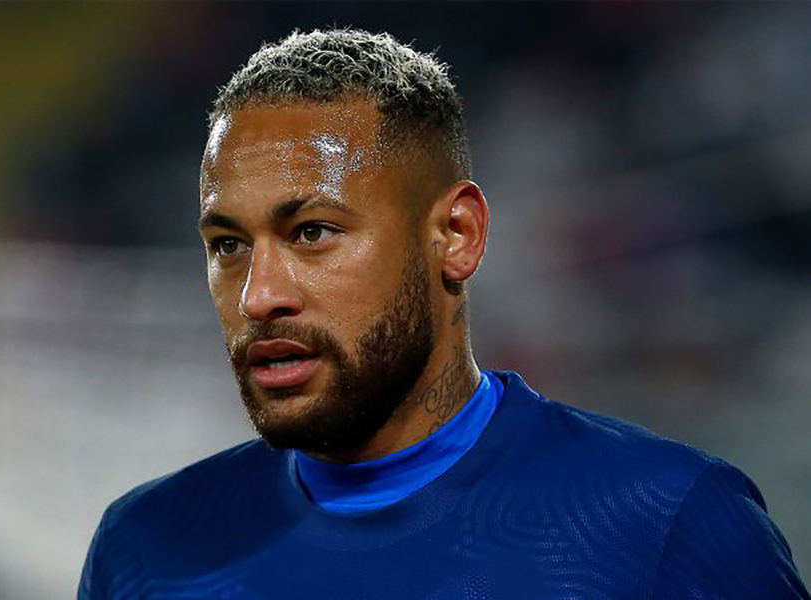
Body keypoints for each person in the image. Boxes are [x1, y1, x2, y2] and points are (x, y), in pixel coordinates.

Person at [78, 28, 809, 600]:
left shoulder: (664, 519)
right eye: (228, 245)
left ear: (456, 236)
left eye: (313, 233)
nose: (258, 296)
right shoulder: (145, 548)